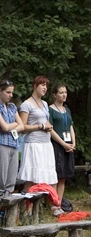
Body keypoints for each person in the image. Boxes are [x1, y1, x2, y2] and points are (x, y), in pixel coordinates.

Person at [17, 76, 57, 191]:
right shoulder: (27, 104)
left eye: (46, 86)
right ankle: (25, 206)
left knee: (48, 176)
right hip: (34, 144)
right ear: (35, 86)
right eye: (42, 85)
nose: (45, 88)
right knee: (33, 178)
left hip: (46, 143)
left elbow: (47, 124)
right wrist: (41, 126)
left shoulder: (44, 104)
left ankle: (54, 206)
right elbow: (23, 127)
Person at [0, 80, 24, 197]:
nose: (11, 95)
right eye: (8, 92)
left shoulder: (12, 106)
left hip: (14, 144)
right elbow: (4, 127)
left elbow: (22, 125)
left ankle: (7, 202)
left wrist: (12, 125)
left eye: (12, 93)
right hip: (2, 143)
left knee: (11, 178)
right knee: (1, 176)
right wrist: (14, 124)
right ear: (0, 91)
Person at [49, 84, 76, 214]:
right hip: (57, 145)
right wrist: (63, 144)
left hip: (68, 144)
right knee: (56, 174)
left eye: (65, 92)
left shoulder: (67, 109)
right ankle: (54, 205)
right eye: (61, 92)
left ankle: (59, 203)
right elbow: (51, 130)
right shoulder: (50, 110)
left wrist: (73, 142)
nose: (64, 95)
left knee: (64, 176)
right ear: (54, 94)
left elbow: (70, 126)